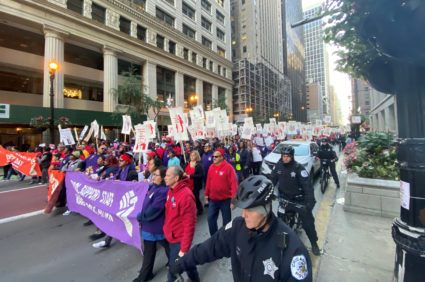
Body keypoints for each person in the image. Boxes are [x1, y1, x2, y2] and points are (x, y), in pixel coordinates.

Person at [169, 175, 312, 281]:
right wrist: (180, 264)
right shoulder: (237, 227)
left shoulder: (292, 249)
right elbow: (209, 248)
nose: (243, 215)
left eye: (249, 210)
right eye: (243, 209)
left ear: (266, 208)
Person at [271, 146, 321, 256]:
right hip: (285, 199)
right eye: (283, 156)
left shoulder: (298, 168)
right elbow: (272, 180)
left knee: (308, 223)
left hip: (299, 200)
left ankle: (314, 243)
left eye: (287, 156)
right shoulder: (278, 166)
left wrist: (309, 202)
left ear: (292, 157)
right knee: (279, 223)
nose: (285, 158)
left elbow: (307, 186)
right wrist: (268, 193)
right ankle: (280, 245)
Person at [92, 152, 138, 248]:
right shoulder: (120, 170)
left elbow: (134, 187)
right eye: (119, 160)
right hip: (120, 198)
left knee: (129, 221)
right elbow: (116, 179)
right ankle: (107, 241)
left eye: (121, 160)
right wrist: (110, 180)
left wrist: (120, 182)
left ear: (127, 161)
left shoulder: (132, 172)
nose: (119, 162)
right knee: (116, 219)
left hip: (128, 200)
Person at [133, 166, 170, 282]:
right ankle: (146, 274)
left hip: (155, 226)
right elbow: (147, 188)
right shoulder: (154, 186)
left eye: (156, 175)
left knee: (165, 245)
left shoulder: (163, 191)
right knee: (154, 249)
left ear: (163, 178)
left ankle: (145, 276)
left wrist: (140, 217)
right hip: (149, 225)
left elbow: (154, 209)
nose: (153, 177)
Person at [163, 166, 199, 282]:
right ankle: (194, 279)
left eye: (168, 176)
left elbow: (190, 225)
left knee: (173, 271)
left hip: (179, 240)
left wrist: (183, 248)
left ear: (176, 178)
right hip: (171, 236)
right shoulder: (171, 190)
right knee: (188, 261)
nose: (165, 178)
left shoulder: (186, 196)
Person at [204, 149, 238, 236]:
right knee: (210, 219)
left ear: (222, 157)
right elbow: (208, 181)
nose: (214, 158)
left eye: (216, 156)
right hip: (213, 200)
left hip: (225, 200)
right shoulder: (211, 167)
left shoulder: (229, 168)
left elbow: (234, 184)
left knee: (226, 222)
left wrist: (234, 201)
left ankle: (226, 238)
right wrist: (206, 194)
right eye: (213, 156)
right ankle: (214, 238)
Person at [184, 150, 205, 216]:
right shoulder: (187, 163)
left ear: (196, 156)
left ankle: (199, 209)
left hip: (195, 185)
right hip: (187, 184)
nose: (192, 157)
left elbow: (201, 175)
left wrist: (190, 176)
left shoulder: (199, 165)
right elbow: (184, 171)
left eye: (194, 155)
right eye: (191, 155)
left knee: (195, 198)